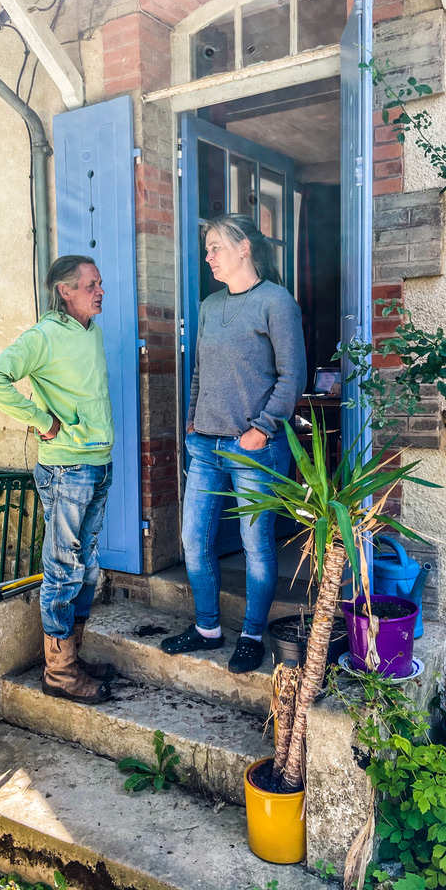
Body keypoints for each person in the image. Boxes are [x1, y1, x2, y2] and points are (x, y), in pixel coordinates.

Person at [161, 214, 306, 674]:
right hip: (205, 445)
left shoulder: (277, 302)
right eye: (207, 249)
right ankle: (207, 628)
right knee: (193, 538)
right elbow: (200, 370)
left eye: (216, 247)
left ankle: (251, 635)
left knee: (255, 544)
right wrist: (192, 421)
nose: (209, 257)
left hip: (255, 449)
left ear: (244, 248)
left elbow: (292, 376)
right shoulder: (209, 306)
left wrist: (262, 428)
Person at [0, 255, 114, 705]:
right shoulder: (44, 336)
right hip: (66, 470)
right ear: (65, 291)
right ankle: (59, 673)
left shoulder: (91, 333)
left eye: (99, 283)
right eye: (90, 285)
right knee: (63, 569)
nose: (100, 291)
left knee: (87, 567)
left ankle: (71, 657)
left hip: (98, 465)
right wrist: (42, 420)